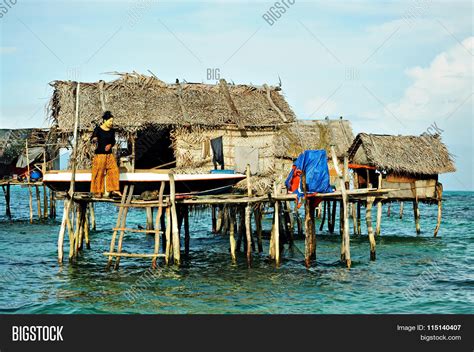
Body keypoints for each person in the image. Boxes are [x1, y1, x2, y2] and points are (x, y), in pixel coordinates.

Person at [90, 111, 122, 197]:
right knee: (99, 172)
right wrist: (94, 139)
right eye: (110, 121)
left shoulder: (112, 131)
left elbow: (113, 141)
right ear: (104, 120)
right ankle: (98, 191)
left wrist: (110, 145)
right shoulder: (98, 129)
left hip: (109, 154)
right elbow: (92, 139)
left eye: (112, 121)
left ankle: (114, 189)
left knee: (114, 170)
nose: (111, 123)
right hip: (100, 155)